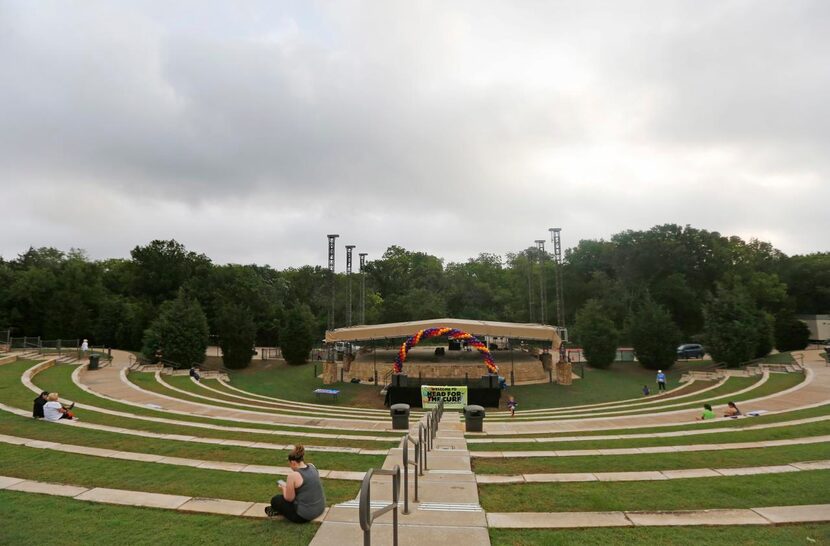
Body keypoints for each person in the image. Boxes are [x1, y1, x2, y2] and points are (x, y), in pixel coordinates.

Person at [266, 445, 326, 522]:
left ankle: (277, 510)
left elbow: (289, 498)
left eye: (290, 464)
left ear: (293, 463)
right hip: (319, 509)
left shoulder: (293, 475)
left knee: (276, 500)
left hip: (303, 516)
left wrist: (284, 487)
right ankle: (278, 510)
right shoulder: (312, 466)